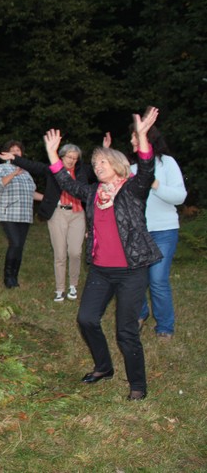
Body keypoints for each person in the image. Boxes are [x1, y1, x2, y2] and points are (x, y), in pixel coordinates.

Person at [44, 107, 161, 401]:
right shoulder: (95, 193)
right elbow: (68, 184)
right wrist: (52, 155)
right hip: (100, 269)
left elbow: (146, 168)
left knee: (126, 331)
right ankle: (104, 367)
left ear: (119, 165)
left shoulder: (132, 190)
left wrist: (143, 136)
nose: (97, 166)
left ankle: (137, 385)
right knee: (86, 319)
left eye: (103, 161)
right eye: (95, 163)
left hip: (131, 270)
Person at [0, 144, 92, 302]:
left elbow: (99, 168)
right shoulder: (52, 170)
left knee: (75, 252)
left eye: (75, 159)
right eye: (69, 157)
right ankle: (60, 289)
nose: (72, 161)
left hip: (77, 214)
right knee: (60, 253)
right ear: (61, 157)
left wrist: (105, 149)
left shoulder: (82, 171)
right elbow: (33, 166)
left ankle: (73, 286)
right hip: (58, 213)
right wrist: (14, 158)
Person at [127, 125, 187, 338]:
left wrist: (155, 184)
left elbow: (180, 197)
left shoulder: (167, 163)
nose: (132, 140)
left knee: (158, 279)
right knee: (136, 278)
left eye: (135, 135)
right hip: (138, 232)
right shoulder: (131, 168)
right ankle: (141, 314)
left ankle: (164, 327)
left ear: (147, 138)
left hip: (164, 230)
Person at [0, 140, 41, 288]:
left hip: (24, 215)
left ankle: (15, 277)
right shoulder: (1, 168)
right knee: (15, 243)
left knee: (20, 246)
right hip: (8, 213)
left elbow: (32, 193)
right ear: (7, 153)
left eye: (18, 151)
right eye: (13, 151)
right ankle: (8, 278)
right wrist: (14, 173)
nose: (16, 153)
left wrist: (49, 199)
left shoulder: (27, 173)